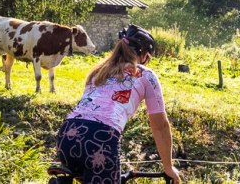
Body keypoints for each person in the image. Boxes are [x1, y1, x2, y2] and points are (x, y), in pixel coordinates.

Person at [56, 25, 182, 184]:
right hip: (100, 138)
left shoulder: (98, 71)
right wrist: (168, 167)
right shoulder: (146, 75)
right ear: (144, 56)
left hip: (67, 134)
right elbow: (160, 126)